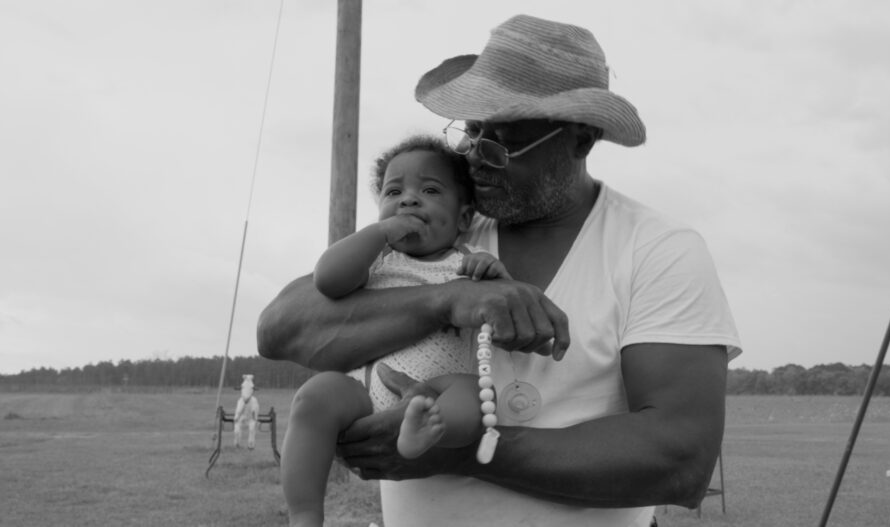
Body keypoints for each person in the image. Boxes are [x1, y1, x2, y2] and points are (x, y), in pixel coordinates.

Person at [258, 14, 741, 527]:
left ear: (580, 138)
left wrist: (465, 450)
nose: (473, 160)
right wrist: (446, 300)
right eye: (471, 133)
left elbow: (681, 459)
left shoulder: (657, 250)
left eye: (501, 143)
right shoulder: (445, 226)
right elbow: (281, 328)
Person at [280, 135, 515, 527]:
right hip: (363, 388)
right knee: (313, 398)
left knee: (473, 396)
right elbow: (328, 279)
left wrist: (493, 277)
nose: (409, 200)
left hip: (436, 389)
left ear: (463, 218)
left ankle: (424, 432)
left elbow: (504, 308)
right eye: (394, 191)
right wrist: (378, 234)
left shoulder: (469, 263)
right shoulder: (376, 261)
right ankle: (304, 515)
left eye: (429, 190)